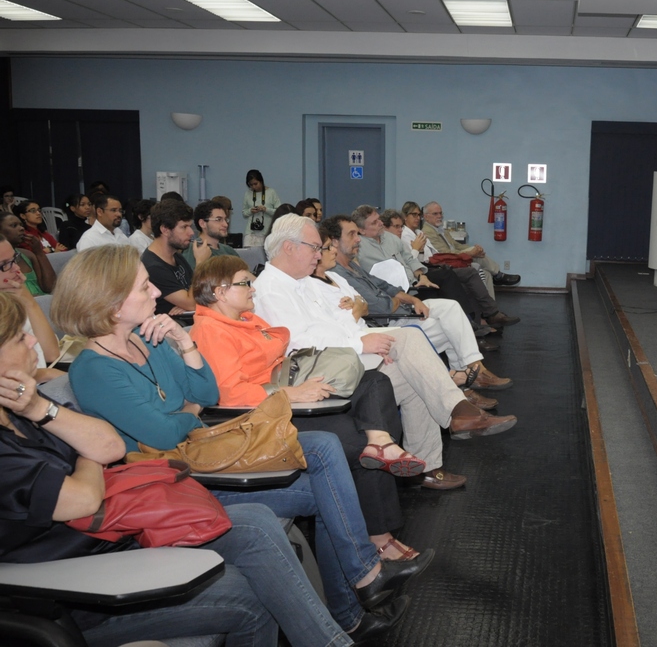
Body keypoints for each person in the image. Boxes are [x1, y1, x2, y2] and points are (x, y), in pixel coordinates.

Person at [50, 245, 429, 642]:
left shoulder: (154, 340)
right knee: (323, 458)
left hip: (199, 451)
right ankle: (358, 589)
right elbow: (163, 434)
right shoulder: (93, 370)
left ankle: (356, 593)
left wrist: (185, 342)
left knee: (325, 461)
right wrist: (189, 412)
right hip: (174, 479)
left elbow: (206, 391)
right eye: (145, 288)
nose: (158, 294)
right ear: (111, 305)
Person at [253, 214, 518, 490]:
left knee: (417, 376)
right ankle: (459, 410)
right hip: (313, 378)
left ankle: (429, 465)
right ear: (289, 247)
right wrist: (361, 344)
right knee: (407, 341)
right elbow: (298, 342)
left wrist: (365, 341)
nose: (319, 255)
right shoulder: (271, 289)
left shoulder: (303, 282)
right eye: (315, 248)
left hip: (341, 361)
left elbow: (346, 318)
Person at [191, 255, 428, 559]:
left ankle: (381, 444)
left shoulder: (245, 321)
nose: (253, 288)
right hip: (261, 418)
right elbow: (230, 395)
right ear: (219, 292)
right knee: (355, 442)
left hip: (283, 394)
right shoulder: (212, 331)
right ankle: (379, 536)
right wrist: (292, 393)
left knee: (374, 383)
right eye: (245, 283)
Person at [326, 214, 512, 391]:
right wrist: (397, 301)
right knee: (450, 328)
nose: (358, 239)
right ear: (334, 241)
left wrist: (413, 299)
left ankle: (472, 370)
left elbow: (385, 286)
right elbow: (381, 306)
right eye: (352, 234)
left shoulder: (352, 265)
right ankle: (468, 378)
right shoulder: (337, 273)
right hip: (387, 323)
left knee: (451, 307)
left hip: (401, 309)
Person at [398, 203, 519, 332]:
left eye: (418, 215)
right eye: (413, 215)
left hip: (433, 264)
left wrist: (472, 250)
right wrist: (418, 250)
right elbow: (417, 260)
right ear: (405, 217)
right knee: (472, 271)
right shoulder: (408, 235)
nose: (417, 218)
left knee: (482, 273)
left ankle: (489, 314)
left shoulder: (420, 232)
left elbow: (449, 248)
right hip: (429, 267)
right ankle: (487, 314)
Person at [421, 200, 522, 289]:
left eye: (440, 213)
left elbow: (456, 245)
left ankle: (490, 307)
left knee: (486, 274)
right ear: (426, 217)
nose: (439, 216)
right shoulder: (427, 232)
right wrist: (471, 253)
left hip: (453, 256)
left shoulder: (441, 229)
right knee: (476, 257)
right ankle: (498, 275)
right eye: (435, 214)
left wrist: (473, 249)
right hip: (446, 261)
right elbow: (446, 253)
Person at [0, 236, 60, 370]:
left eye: (14, 259)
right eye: (4, 265)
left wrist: (29, 301)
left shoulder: (14, 297)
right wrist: (43, 375)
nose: (16, 269)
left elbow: (50, 354)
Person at [142, 199, 197, 315]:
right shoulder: (153, 267)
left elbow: (199, 295)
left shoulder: (175, 255)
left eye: (190, 226)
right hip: (169, 329)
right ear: (165, 230)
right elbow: (191, 303)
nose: (191, 232)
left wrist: (189, 305)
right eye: (184, 227)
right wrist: (200, 262)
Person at [0, 212, 56, 295]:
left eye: (21, 225)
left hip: (42, 303)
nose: (21, 228)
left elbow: (50, 287)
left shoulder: (28, 255)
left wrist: (39, 252)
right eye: (14, 225)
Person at [182, 199, 240, 268]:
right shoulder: (193, 250)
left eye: (225, 219)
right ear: (203, 223)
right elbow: (192, 278)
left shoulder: (229, 251)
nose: (225, 224)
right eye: (218, 220)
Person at [242, 169, 281, 248]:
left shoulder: (271, 192)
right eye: (251, 185)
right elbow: (244, 213)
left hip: (266, 232)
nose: (253, 187)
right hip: (250, 232)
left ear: (261, 181)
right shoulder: (248, 193)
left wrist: (266, 209)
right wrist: (250, 210)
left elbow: (279, 212)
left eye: (255, 184)